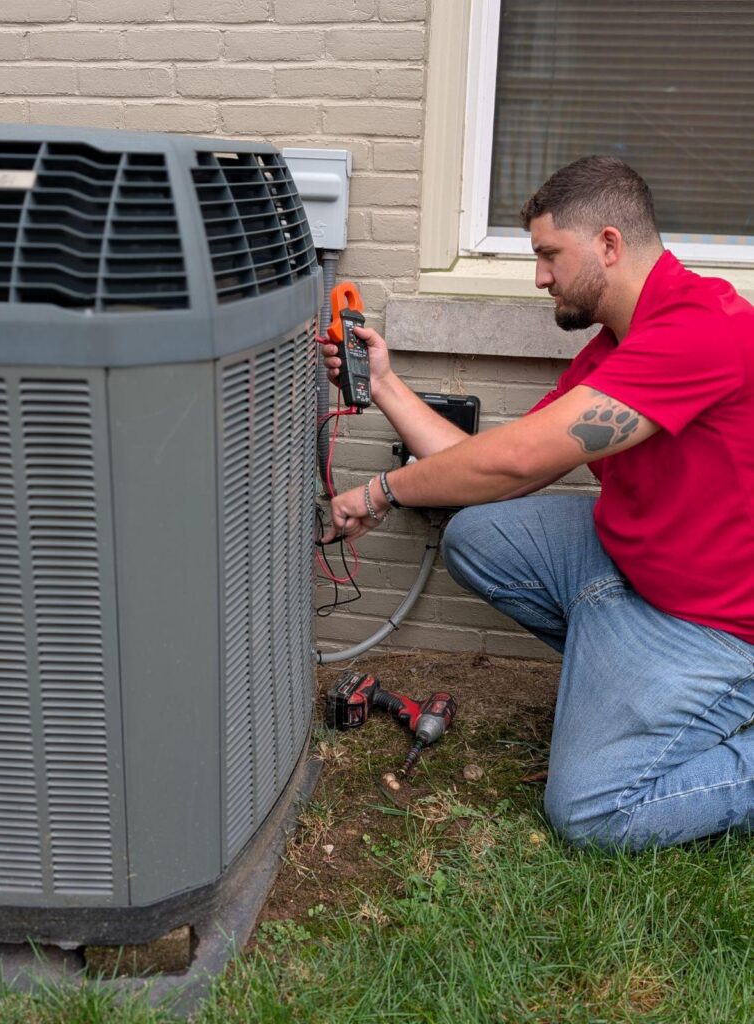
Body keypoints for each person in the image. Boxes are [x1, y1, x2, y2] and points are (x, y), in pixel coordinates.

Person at [321, 156, 754, 852]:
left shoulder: (701, 329)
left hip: (714, 623)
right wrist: (387, 385)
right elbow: (512, 468)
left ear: (607, 244)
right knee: (477, 535)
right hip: (637, 570)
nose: (539, 276)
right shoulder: (618, 344)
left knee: (590, 814)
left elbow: (516, 462)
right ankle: (616, 663)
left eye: (549, 254)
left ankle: (694, 696)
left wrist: (380, 491)